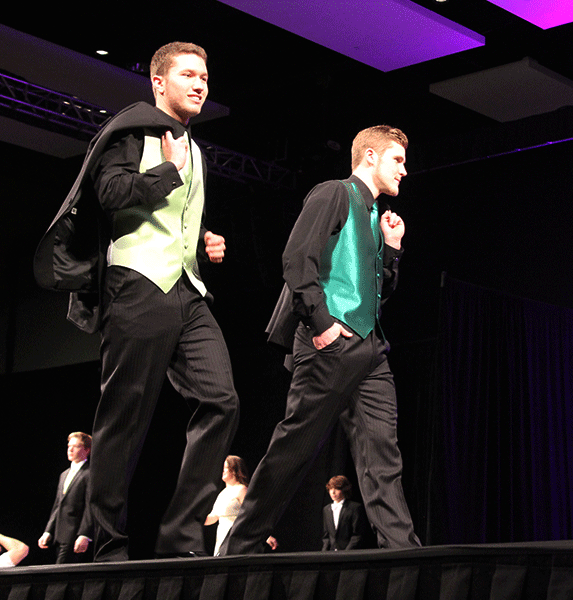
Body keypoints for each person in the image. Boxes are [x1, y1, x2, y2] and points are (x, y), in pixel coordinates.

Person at [33, 41, 239, 561]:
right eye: (188, 74)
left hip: (188, 290)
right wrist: (164, 172)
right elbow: (109, 194)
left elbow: (176, 221)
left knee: (221, 401)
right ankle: (108, 544)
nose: (199, 84)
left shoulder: (194, 148)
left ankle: (181, 535)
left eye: (205, 77)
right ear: (158, 83)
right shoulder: (134, 130)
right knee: (124, 418)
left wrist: (204, 242)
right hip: (138, 286)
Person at [220, 125, 420, 554]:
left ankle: (403, 553)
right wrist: (322, 323)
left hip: (370, 350)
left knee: (382, 456)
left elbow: (377, 292)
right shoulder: (334, 193)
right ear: (369, 156)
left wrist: (393, 249)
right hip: (330, 342)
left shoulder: (375, 218)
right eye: (397, 159)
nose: (405, 170)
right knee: (294, 448)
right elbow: (296, 258)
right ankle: (238, 548)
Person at [38, 432, 93, 563]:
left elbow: (90, 506)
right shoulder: (64, 474)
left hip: (74, 535)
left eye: (75, 446)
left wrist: (84, 535)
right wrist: (48, 531)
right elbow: (58, 506)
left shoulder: (90, 474)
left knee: (61, 576)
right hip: (58, 535)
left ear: (86, 449)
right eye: (69, 446)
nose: (70, 449)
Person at [205, 456, 248, 556]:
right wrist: (195, 522)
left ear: (233, 470)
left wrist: (266, 537)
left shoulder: (242, 490)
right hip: (221, 539)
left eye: (225, 468)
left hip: (235, 540)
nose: (222, 471)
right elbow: (214, 517)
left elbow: (251, 515)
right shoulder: (222, 494)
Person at [322, 475, 367, 551]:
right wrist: (323, 554)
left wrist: (346, 553)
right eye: (330, 489)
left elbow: (357, 535)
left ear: (344, 489)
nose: (333, 492)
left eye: (336, 489)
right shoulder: (326, 509)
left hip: (349, 554)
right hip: (331, 554)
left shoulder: (354, 507)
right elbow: (326, 536)